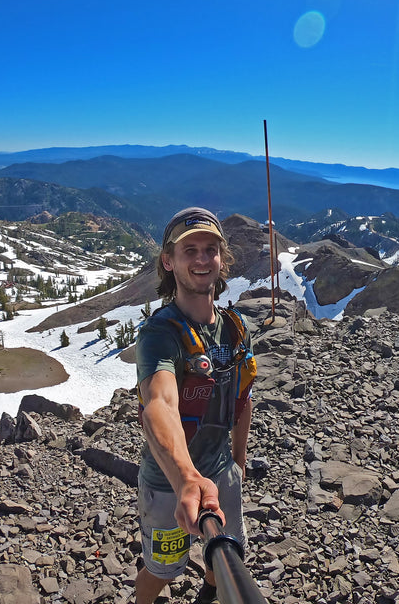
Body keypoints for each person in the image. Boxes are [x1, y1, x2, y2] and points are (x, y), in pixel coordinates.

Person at [135, 207, 257, 604]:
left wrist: (237, 463)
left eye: (211, 249)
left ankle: (209, 589)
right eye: (190, 251)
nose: (202, 259)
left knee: (224, 556)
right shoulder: (159, 335)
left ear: (222, 260)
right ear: (168, 261)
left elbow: (242, 398)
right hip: (170, 482)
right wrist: (187, 478)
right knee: (161, 569)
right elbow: (159, 403)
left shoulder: (235, 327)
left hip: (221, 473)